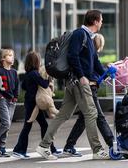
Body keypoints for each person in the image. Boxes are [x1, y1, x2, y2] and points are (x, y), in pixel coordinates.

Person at [36, 10, 109, 160]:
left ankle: (44, 146)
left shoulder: (89, 37)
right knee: (91, 113)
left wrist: (106, 75)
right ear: (95, 21)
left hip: (74, 81)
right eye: (101, 20)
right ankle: (97, 149)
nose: (102, 23)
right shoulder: (80, 34)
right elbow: (72, 55)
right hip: (78, 81)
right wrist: (82, 75)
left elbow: (95, 61)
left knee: (64, 114)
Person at [63, 33, 113, 156]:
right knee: (99, 116)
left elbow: (98, 69)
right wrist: (105, 74)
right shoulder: (90, 55)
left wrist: (106, 74)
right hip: (89, 87)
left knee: (83, 118)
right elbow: (95, 71)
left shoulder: (90, 55)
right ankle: (112, 143)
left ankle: (69, 146)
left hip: (89, 86)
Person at [12, 51, 61, 159]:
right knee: (28, 127)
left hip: (32, 103)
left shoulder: (28, 74)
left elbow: (24, 86)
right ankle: (19, 150)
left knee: (41, 126)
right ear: (36, 62)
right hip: (33, 104)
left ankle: (50, 149)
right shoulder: (34, 73)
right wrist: (48, 77)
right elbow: (43, 84)